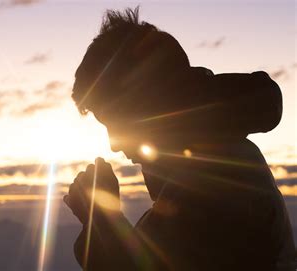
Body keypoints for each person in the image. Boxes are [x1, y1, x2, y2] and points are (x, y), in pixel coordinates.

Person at [63, 7, 295, 271]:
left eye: (116, 123)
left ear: (148, 106)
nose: (114, 144)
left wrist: (103, 217)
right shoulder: (208, 167)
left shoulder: (213, 182)